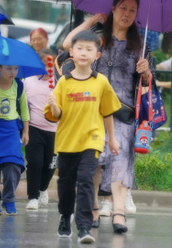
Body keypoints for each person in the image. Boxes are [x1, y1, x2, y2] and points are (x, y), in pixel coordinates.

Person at [62, 0, 152, 233]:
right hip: (92, 109)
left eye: (132, 10)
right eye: (123, 8)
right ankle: (92, 209)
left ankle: (118, 212)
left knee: (121, 159)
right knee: (94, 159)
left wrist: (145, 71)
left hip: (123, 112)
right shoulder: (98, 38)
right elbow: (68, 45)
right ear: (113, 8)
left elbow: (147, 83)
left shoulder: (140, 45)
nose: (127, 14)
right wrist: (92, 21)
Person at [45, 30, 121, 243]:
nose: (84, 53)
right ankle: (65, 215)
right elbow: (57, 115)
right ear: (71, 52)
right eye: (80, 48)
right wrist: (53, 105)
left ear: (97, 55)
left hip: (92, 140)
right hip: (67, 141)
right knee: (66, 183)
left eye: (89, 49)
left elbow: (107, 112)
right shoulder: (64, 83)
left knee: (87, 180)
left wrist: (112, 139)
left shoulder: (101, 82)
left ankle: (84, 227)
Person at [0, 64, 30, 216]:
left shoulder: (19, 86)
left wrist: (26, 132)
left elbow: (24, 110)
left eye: (15, 69)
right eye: (9, 68)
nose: (13, 72)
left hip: (11, 130)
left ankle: (9, 199)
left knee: (14, 165)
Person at [24, 48, 58, 211]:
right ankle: (33, 196)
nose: (47, 69)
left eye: (49, 65)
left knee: (50, 164)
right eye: (43, 64)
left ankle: (43, 188)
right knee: (35, 163)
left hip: (55, 130)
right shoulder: (28, 81)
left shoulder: (60, 83)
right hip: (34, 127)